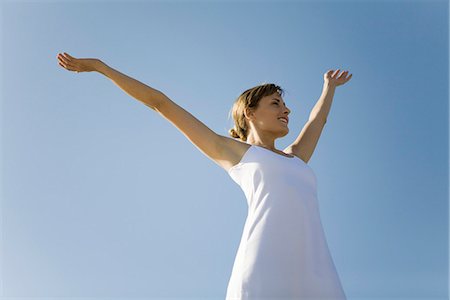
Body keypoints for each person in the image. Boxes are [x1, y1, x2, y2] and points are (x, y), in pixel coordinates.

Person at [56, 52, 352, 299]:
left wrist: (329, 87)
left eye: (285, 105)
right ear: (249, 112)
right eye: (276, 103)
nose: (286, 110)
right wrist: (100, 68)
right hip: (264, 262)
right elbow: (160, 103)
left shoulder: (296, 157)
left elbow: (318, 121)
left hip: (315, 267)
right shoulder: (235, 153)